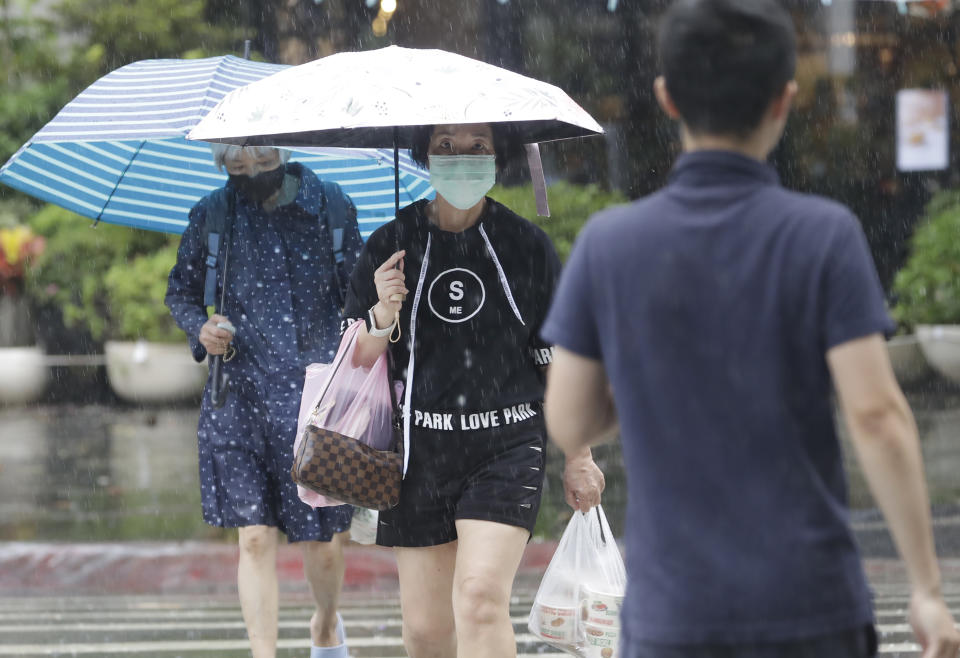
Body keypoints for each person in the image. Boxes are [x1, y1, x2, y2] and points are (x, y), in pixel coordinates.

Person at [541, 1, 960, 657]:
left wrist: (655, 380)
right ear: (785, 101)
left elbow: (569, 420)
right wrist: (927, 589)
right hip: (810, 604)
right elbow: (877, 414)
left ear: (667, 98)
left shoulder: (611, 245)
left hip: (675, 611)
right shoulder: (824, 236)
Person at [342, 122, 605, 658]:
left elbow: (556, 358)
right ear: (424, 156)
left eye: (477, 148)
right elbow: (354, 362)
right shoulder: (389, 244)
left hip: (506, 449)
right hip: (417, 455)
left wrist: (579, 456)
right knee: (426, 630)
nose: (462, 159)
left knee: (481, 599)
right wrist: (382, 313)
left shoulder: (525, 246)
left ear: (496, 158)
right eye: (446, 147)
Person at [165, 144, 362, 658]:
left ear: (282, 148)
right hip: (238, 397)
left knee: (321, 541)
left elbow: (357, 296)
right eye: (237, 167)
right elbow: (181, 292)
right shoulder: (213, 214)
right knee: (253, 537)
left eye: (261, 162)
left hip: (314, 400)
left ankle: (325, 621)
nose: (251, 173)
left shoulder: (331, 207)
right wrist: (201, 328)